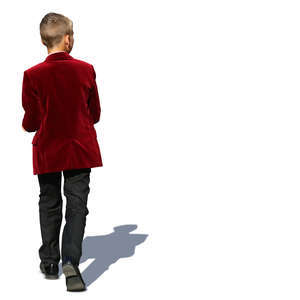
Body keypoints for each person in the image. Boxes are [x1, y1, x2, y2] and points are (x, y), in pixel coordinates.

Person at [21, 12, 103, 292]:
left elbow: (31, 121)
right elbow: (95, 113)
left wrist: (28, 123)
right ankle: (71, 260)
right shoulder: (86, 69)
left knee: (49, 201)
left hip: (48, 148)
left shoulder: (32, 75)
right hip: (80, 146)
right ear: (68, 39)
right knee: (77, 204)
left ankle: (49, 260)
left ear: (44, 40)